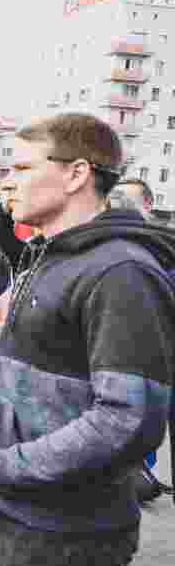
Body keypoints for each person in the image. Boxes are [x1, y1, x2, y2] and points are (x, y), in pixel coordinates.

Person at [0, 113, 175, 566]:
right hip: (17, 515)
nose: (7, 180)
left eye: (23, 167)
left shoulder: (122, 271)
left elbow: (127, 421)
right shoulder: (53, 254)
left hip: (68, 537)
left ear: (77, 174)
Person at [106, 178, 173, 501]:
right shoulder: (116, 249)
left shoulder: (162, 247)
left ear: (146, 205)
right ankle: (139, 479)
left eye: (127, 202)